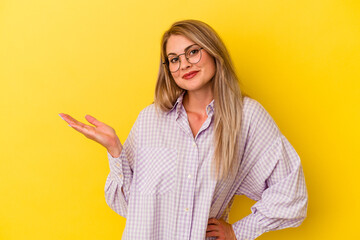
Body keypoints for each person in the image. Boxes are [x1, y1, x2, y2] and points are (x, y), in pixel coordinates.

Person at [59, 19, 308, 240]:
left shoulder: (246, 117)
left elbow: (291, 194)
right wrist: (115, 150)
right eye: (174, 59)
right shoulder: (151, 119)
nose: (185, 65)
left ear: (213, 53)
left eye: (193, 52)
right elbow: (127, 206)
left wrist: (238, 231)